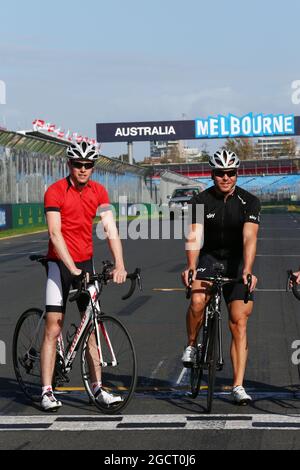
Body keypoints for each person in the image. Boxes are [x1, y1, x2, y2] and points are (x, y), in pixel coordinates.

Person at [41, 140, 127, 411]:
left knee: (92, 327)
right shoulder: (55, 191)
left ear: (93, 167)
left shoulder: (99, 191)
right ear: (69, 165)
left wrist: (120, 264)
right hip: (59, 263)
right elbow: (55, 234)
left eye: (88, 165)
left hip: (84, 263)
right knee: (53, 326)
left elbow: (110, 229)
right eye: (78, 164)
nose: (82, 169)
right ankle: (45, 391)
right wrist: (73, 270)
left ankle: (98, 388)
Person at [181, 149, 261, 405]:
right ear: (212, 174)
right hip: (210, 258)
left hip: (237, 262)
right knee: (196, 301)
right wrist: (191, 266)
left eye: (231, 173)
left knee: (239, 321)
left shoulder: (250, 202)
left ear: (237, 174)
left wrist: (248, 269)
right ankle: (192, 345)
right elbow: (194, 236)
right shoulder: (200, 200)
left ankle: (237, 385)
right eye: (220, 173)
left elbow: (250, 238)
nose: (226, 178)